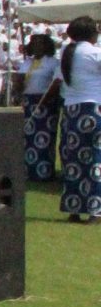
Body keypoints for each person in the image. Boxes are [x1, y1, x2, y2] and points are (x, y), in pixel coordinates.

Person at [59, 16, 101, 223]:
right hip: (94, 108)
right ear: (92, 33)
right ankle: (95, 210)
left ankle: (73, 208)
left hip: (72, 110)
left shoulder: (66, 53)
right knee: (95, 160)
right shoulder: (95, 53)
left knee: (74, 161)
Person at [20, 33, 61, 185]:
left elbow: (56, 83)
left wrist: (47, 99)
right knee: (28, 139)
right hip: (28, 101)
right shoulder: (27, 62)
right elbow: (20, 80)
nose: (37, 46)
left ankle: (44, 172)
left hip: (45, 102)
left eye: (40, 43)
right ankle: (28, 171)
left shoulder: (52, 62)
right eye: (34, 43)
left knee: (44, 139)